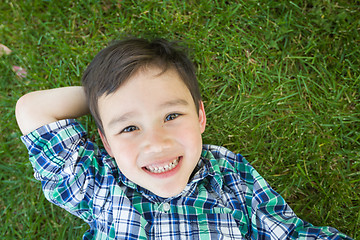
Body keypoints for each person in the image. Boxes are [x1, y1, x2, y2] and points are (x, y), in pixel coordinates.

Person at [16, 38, 352, 239]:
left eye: (172, 116)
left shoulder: (228, 174)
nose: (157, 143)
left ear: (201, 116)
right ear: (106, 142)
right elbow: (33, 109)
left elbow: (289, 234)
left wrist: (122, 107)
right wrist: (103, 100)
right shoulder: (98, 182)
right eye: (129, 128)